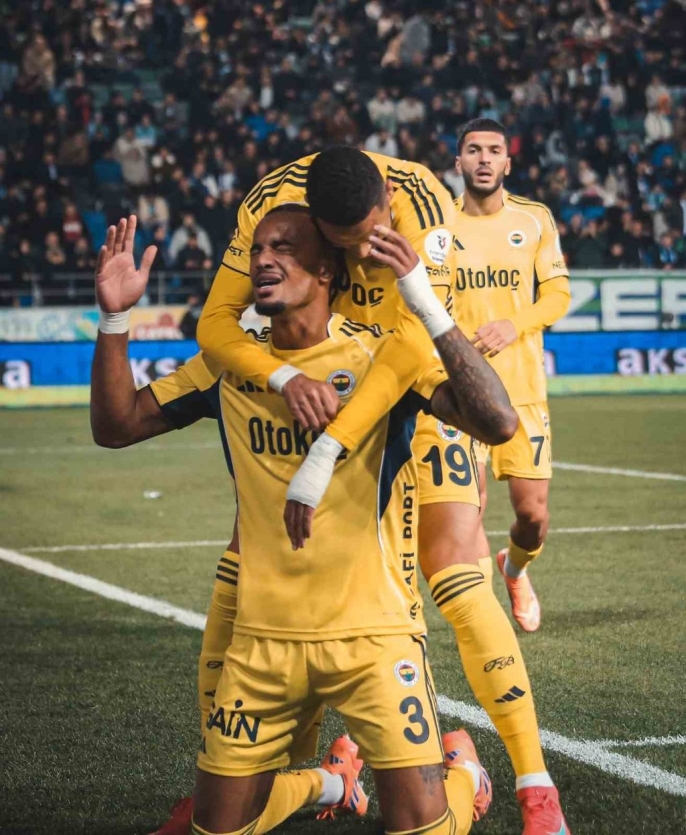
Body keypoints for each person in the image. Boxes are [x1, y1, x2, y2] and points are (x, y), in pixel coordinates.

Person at [91, 209, 520, 835]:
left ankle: (464, 776)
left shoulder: (381, 356)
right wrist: (114, 319)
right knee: (217, 831)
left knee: (422, 828)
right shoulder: (229, 364)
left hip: (374, 638)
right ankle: (332, 783)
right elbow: (115, 426)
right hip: (261, 643)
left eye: (285, 248)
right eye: (258, 249)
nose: (264, 259)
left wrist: (429, 310)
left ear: (326, 269)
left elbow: (498, 421)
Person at [197, 147, 570, 835]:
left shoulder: (422, 202)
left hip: (411, 382)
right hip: (319, 381)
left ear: (386, 205)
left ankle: (532, 782)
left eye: (375, 232)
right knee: (257, 558)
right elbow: (216, 323)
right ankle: (291, 775)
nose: (368, 250)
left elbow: (411, 343)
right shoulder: (269, 205)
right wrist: (286, 379)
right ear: (316, 231)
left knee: (456, 572)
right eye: (350, 243)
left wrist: (329, 450)